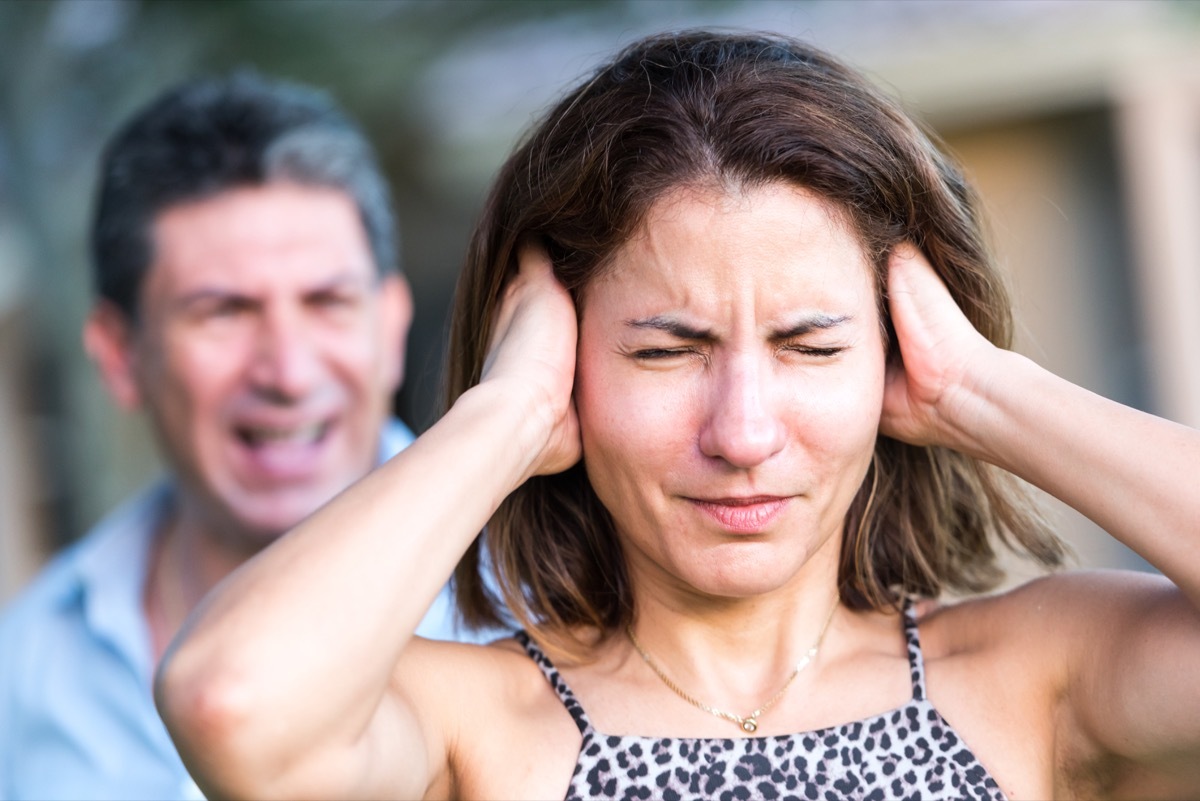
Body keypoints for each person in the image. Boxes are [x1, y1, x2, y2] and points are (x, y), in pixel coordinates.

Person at [156, 31, 1200, 801]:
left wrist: (983, 390)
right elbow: (234, 703)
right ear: (568, 367)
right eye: (666, 352)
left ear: (892, 357)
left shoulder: (1035, 675)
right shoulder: (478, 727)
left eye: (811, 347)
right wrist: (503, 414)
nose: (742, 435)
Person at [0, 72, 494, 801]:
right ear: (119, 354)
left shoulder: (547, 606)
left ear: (390, 326)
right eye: (223, 310)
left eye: (327, 300)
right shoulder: (27, 661)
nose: (289, 373)